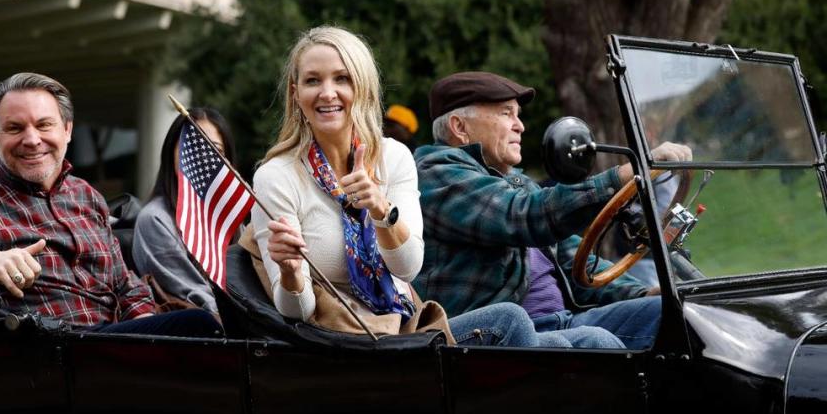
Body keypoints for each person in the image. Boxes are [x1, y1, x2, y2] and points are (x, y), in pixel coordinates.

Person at [251, 26, 622, 349]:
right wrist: (289, 270)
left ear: (361, 87)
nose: (327, 93)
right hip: (341, 342)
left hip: (402, 329)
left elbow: (407, 268)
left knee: (597, 342)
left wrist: (381, 211)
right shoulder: (277, 176)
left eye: (341, 79)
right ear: (296, 93)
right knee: (510, 320)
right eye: (313, 81)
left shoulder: (392, 157)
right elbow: (294, 311)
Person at [0, 72, 220, 337]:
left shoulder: (86, 196)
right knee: (199, 326)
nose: (32, 139)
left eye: (44, 125)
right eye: (15, 128)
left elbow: (127, 286)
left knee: (214, 333)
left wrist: (143, 334)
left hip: (113, 349)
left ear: (67, 130)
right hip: (48, 356)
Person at [414, 71, 693, 350]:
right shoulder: (437, 174)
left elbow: (576, 261)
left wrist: (643, 292)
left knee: (675, 314)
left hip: (561, 323)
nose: (519, 126)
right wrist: (627, 174)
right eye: (506, 113)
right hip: (487, 339)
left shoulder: (517, 183)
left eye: (518, 115)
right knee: (595, 342)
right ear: (459, 127)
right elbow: (523, 216)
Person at [132, 108, 238, 316]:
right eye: (191, 148)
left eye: (214, 149)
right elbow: (195, 295)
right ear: (171, 153)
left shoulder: (229, 217)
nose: (201, 158)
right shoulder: (155, 219)